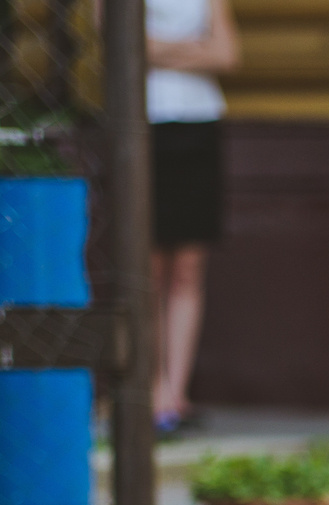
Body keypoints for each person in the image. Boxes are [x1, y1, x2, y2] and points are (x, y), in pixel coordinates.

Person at [145, 0, 239, 435]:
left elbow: (227, 54)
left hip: (199, 125)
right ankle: (149, 388)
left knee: (188, 266)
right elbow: (120, 47)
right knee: (149, 266)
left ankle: (176, 392)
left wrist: (160, 50)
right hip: (143, 122)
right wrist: (192, 50)